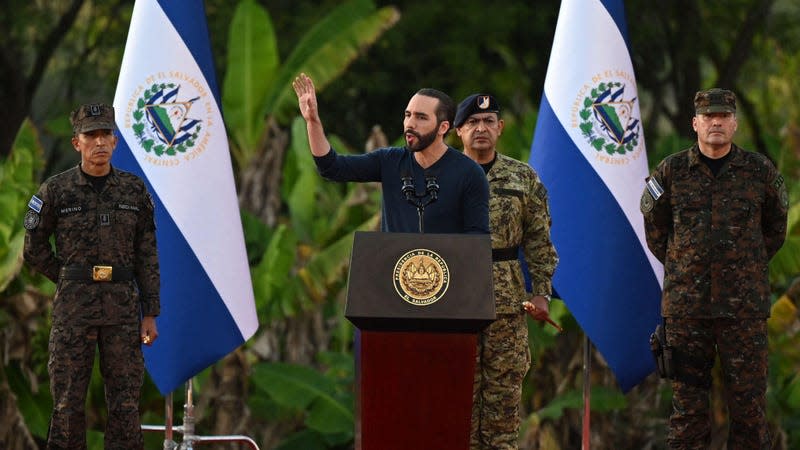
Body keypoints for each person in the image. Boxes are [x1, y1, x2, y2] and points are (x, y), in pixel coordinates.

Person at [641, 88, 788, 449]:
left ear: (735, 124)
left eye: (723, 116)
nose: (716, 122)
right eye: (708, 117)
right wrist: (687, 267)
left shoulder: (759, 171)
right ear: (695, 123)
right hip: (687, 311)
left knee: (749, 410)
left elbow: (775, 230)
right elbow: (656, 232)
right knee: (687, 414)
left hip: (744, 311)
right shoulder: (671, 171)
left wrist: (742, 267)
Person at [23, 103, 160, 450]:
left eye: (105, 135)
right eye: (91, 135)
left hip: (123, 311)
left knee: (126, 406)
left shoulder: (134, 191)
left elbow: (147, 253)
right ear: (77, 143)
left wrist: (151, 312)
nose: (99, 142)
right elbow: (33, 247)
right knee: (67, 405)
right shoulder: (56, 191)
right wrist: (70, 277)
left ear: (115, 142)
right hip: (74, 312)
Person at [454, 93, 558, 449]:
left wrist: (541, 292)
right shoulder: (442, 175)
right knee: (458, 394)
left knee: (503, 397)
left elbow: (539, 239)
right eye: (472, 123)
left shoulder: (522, 176)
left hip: (507, 299)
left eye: (488, 122)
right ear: (457, 132)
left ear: (500, 128)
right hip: (454, 298)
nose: (480, 129)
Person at [292, 73, 489, 234]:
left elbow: (476, 240)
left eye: (421, 117)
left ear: (443, 127)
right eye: (407, 115)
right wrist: (313, 122)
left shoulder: (469, 172)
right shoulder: (389, 160)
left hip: (447, 277)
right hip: (394, 276)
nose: (410, 123)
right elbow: (331, 168)